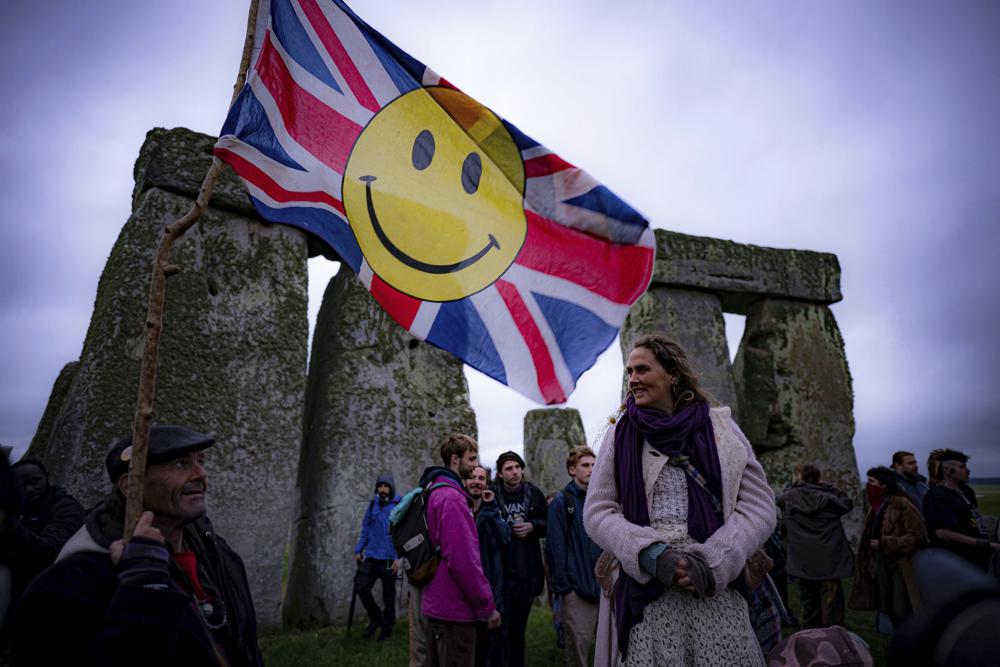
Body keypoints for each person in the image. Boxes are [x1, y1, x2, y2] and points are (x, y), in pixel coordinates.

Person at [584, 334, 776, 666]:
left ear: (673, 373)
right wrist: (648, 553)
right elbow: (598, 511)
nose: (633, 380)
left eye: (642, 370)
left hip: (713, 589)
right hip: (649, 597)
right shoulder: (620, 434)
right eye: (629, 372)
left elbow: (759, 506)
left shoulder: (722, 430)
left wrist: (715, 559)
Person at [11, 424, 263, 666]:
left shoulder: (215, 550)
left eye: (200, 461)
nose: (201, 474)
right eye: (180, 463)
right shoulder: (73, 582)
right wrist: (144, 587)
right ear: (130, 485)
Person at [416, 433, 500, 667]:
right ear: (455, 459)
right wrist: (487, 607)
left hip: (437, 602)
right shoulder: (452, 498)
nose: (476, 465)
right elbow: (464, 561)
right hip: (455, 609)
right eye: (471, 459)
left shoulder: (434, 489)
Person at [776, 464, 854, 629]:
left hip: (804, 561)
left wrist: (796, 486)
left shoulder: (788, 498)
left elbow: (779, 500)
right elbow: (847, 503)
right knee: (832, 604)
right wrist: (827, 487)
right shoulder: (829, 498)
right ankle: (834, 639)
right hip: (829, 559)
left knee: (809, 604)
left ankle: (810, 639)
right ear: (818, 478)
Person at [848, 466, 926, 627]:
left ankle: (911, 642)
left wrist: (885, 542)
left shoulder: (902, 504)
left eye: (872, 482)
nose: (868, 485)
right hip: (882, 562)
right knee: (887, 604)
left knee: (902, 607)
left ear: (884, 485)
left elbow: (918, 536)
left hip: (902, 564)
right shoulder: (876, 505)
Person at [546, 446, 602, 667]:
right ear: (572, 470)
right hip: (576, 591)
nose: (591, 470)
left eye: (594, 465)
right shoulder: (561, 502)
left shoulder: (602, 500)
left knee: (610, 650)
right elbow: (555, 548)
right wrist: (565, 590)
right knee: (578, 653)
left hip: (605, 590)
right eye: (585, 465)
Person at [493, 450, 547, 667]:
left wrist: (533, 526)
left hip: (526, 573)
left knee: (518, 631)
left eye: (517, 467)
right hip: (500, 574)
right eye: (509, 468)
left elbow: (548, 523)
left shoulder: (534, 494)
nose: (515, 472)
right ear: (499, 474)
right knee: (499, 631)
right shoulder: (492, 495)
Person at [922, 449, 998, 570]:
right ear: (947, 470)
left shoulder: (967, 491)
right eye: (962, 467)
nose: (967, 470)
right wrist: (983, 544)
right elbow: (941, 532)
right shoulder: (937, 496)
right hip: (957, 562)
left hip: (978, 558)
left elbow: (971, 520)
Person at [465, 465, 510, 667]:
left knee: (490, 649)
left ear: (487, 483)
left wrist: (491, 508)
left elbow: (505, 538)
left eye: (481, 478)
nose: (476, 481)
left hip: (490, 586)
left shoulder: (492, 508)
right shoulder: (459, 508)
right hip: (465, 588)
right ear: (465, 481)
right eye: (472, 477)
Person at [353, 473, 401, 641]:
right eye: (380, 486)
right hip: (372, 557)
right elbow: (366, 528)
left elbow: (401, 533)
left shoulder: (398, 505)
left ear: (391, 488)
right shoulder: (373, 504)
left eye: (386, 486)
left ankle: (386, 631)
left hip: (389, 559)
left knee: (388, 597)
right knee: (361, 588)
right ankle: (376, 619)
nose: (382, 489)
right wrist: (359, 549)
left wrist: (398, 557)